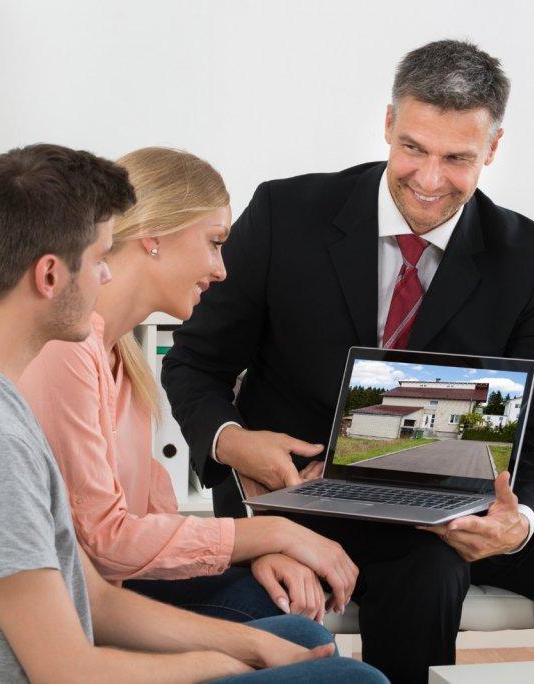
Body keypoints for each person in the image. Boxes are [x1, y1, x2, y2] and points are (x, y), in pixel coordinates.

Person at [162, 40, 534, 682]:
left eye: (457, 158)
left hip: (455, 499)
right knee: (426, 569)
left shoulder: (526, 256)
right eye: (414, 148)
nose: (429, 179)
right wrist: (232, 443)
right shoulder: (286, 215)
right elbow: (194, 363)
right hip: (303, 494)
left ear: (492, 150)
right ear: (388, 123)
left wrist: (521, 521)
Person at [0, 143, 385, 683]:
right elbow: (68, 670)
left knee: (304, 646)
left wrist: (253, 645)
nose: (107, 278)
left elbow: (95, 596)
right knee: (355, 680)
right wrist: (223, 661)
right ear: (50, 276)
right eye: (100, 260)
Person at [18, 147, 357, 624]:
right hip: (77, 610)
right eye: (215, 243)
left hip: (118, 590)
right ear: (153, 237)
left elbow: (150, 520)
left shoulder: (122, 358)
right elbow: (105, 541)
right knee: (292, 632)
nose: (222, 270)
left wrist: (253, 554)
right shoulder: (66, 350)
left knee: (286, 613)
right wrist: (275, 534)